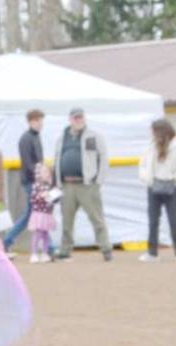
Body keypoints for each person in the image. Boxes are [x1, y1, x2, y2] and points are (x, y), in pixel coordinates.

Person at [53, 107, 112, 262]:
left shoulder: (94, 136)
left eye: (80, 117)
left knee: (97, 218)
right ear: (70, 119)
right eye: (75, 118)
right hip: (67, 185)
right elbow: (56, 160)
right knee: (67, 221)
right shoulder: (62, 138)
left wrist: (98, 181)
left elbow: (103, 159)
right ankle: (65, 251)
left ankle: (106, 249)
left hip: (87, 185)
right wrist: (57, 182)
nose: (78, 120)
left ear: (84, 118)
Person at [138, 118, 176, 262]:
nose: (151, 134)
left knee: (174, 220)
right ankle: (152, 252)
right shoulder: (150, 146)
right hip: (153, 186)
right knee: (153, 220)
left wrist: (174, 179)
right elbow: (142, 165)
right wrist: (147, 179)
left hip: (171, 188)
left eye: (153, 131)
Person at [4, 109, 45, 254]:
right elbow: (28, 164)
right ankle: (7, 240)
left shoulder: (35, 137)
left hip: (36, 181)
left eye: (41, 121)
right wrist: (40, 178)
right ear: (31, 121)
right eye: (39, 121)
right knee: (36, 213)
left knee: (34, 214)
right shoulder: (26, 139)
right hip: (32, 182)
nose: (41, 124)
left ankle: (7, 240)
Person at [26, 164, 57, 263]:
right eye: (44, 172)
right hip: (38, 213)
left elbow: (55, 199)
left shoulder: (51, 186)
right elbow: (32, 199)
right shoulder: (36, 185)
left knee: (46, 234)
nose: (46, 174)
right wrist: (41, 196)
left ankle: (45, 253)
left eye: (48, 172)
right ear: (39, 174)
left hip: (48, 214)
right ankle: (34, 253)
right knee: (37, 233)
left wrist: (53, 197)